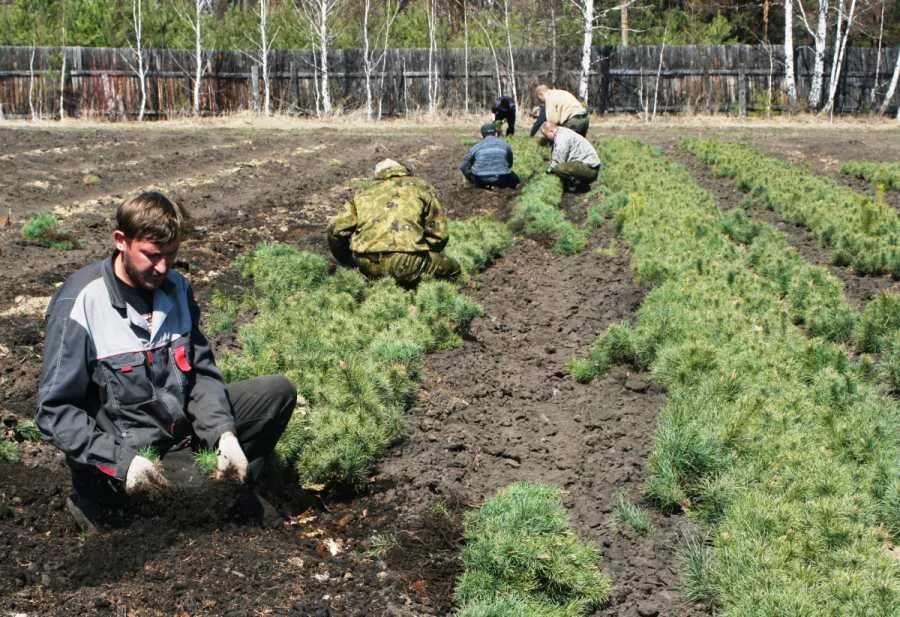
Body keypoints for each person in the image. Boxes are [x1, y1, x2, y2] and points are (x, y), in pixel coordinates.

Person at [36, 191, 297, 533]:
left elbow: (202, 373)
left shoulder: (175, 288)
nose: (162, 268)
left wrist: (223, 433)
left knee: (275, 393)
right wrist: (122, 462)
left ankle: (238, 481)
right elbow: (55, 411)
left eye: (171, 256)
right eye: (152, 256)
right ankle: (102, 503)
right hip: (128, 450)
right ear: (121, 241)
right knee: (209, 512)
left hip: (178, 433)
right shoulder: (83, 303)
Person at [328, 159, 461, 287]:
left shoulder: (362, 194)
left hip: (365, 263)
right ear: (403, 170)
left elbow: (336, 231)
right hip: (407, 262)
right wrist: (425, 252)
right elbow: (439, 236)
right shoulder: (421, 189)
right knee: (453, 269)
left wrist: (347, 260)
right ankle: (418, 290)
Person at [540, 121, 602, 193]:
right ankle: (569, 185)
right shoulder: (561, 132)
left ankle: (581, 185)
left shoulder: (562, 138)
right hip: (583, 166)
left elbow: (558, 161)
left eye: (546, 135)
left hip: (590, 169)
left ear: (551, 131)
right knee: (560, 168)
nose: (546, 138)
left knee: (558, 168)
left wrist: (548, 171)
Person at [459, 122, 520, 189]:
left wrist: (471, 178)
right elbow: (510, 164)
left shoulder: (476, 147)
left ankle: (478, 186)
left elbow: (463, 166)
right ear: (496, 133)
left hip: (481, 179)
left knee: (469, 173)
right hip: (502, 177)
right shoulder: (505, 145)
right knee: (516, 180)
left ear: (482, 134)